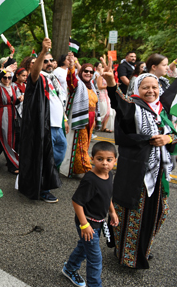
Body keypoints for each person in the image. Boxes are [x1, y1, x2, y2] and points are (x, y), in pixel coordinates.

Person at [103, 66, 176, 269]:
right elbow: (119, 104)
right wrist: (111, 83)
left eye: (154, 87)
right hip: (137, 173)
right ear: (137, 88)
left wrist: (168, 137)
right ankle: (128, 255)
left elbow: (174, 134)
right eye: (145, 87)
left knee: (158, 212)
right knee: (133, 212)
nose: (151, 90)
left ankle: (143, 248)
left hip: (160, 173)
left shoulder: (162, 110)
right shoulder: (133, 107)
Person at [62, 141, 119, 287]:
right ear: (92, 159)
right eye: (100, 159)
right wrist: (84, 225)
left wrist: (112, 212)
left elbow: (107, 196)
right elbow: (77, 202)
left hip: (98, 221)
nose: (105, 163)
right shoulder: (90, 180)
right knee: (95, 259)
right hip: (87, 222)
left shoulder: (109, 175)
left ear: (115, 161)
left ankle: (69, 268)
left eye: (109, 160)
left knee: (83, 248)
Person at [18, 38, 63, 203]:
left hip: (58, 125)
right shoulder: (35, 78)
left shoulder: (51, 79)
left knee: (59, 154)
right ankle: (43, 186)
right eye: (45, 61)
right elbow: (35, 74)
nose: (49, 63)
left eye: (51, 60)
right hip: (44, 127)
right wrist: (42, 52)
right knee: (44, 157)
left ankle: (38, 177)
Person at [63, 63, 101, 176]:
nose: (88, 73)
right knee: (81, 144)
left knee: (86, 144)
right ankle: (86, 169)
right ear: (81, 72)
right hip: (81, 117)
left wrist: (94, 120)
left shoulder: (92, 86)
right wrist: (71, 67)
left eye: (91, 72)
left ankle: (77, 167)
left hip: (91, 118)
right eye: (86, 71)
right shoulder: (77, 84)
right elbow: (71, 80)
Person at [11, 67, 28, 153]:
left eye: (26, 76)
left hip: (25, 113)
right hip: (16, 114)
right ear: (17, 76)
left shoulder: (26, 85)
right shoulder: (13, 85)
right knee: (17, 135)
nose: (25, 77)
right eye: (23, 75)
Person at [97, 59, 116, 133]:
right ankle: (97, 125)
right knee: (103, 111)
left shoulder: (110, 77)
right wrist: (108, 86)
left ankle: (104, 127)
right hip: (102, 94)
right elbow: (99, 87)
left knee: (109, 111)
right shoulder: (100, 77)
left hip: (107, 94)